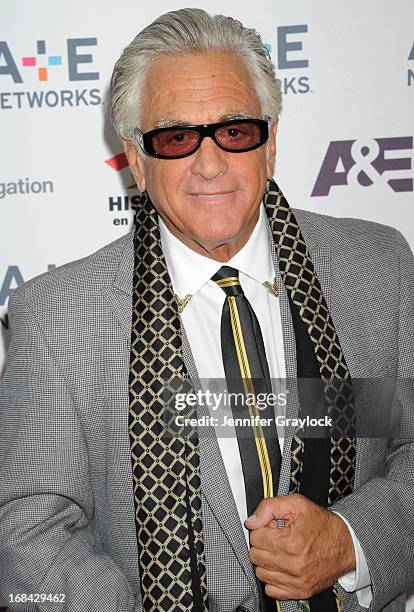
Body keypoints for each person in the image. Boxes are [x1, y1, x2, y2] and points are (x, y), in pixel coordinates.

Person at [0, 8, 413, 612]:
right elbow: (26, 537)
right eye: (175, 138)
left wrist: (354, 542)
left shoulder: (376, 267)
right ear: (136, 163)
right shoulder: (59, 315)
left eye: (236, 130)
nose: (210, 162)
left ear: (271, 144)